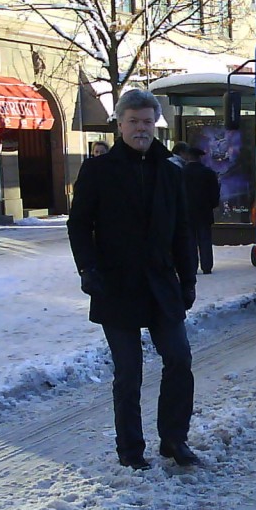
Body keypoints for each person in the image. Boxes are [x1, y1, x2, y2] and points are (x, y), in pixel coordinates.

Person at [67, 89, 200, 470]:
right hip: (116, 285)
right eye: (133, 122)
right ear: (120, 125)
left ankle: (174, 439)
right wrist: (87, 269)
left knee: (179, 359)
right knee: (129, 373)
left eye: (147, 122)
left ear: (154, 124)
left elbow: (182, 230)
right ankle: (130, 451)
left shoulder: (171, 171)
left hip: (161, 285)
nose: (141, 129)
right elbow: (79, 225)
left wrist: (187, 278)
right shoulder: (97, 170)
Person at [181, 146, 221, 274]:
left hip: (187, 212)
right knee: (205, 239)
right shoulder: (208, 173)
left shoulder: (181, 173)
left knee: (190, 241)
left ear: (188, 157)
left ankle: (192, 266)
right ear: (199, 158)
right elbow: (215, 193)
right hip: (204, 212)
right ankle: (207, 266)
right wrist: (212, 205)